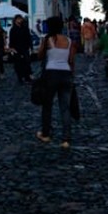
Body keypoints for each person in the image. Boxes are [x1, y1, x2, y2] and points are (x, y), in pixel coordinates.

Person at [35, 16, 76, 149]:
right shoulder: (69, 41)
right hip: (66, 74)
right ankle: (66, 139)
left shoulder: (48, 39)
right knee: (65, 107)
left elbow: (40, 56)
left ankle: (46, 134)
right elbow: (71, 61)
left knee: (47, 105)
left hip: (51, 73)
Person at [8, 14, 33, 84]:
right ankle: (20, 78)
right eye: (18, 19)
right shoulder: (13, 30)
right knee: (18, 64)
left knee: (27, 63)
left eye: (20, 19)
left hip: (25, 48)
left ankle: (27, 77)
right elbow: (11, 40)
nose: (20, 20)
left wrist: (31, 47)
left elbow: (28, 38)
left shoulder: (25, 28)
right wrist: (12, 48)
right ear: (15, 20)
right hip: (17, 49)